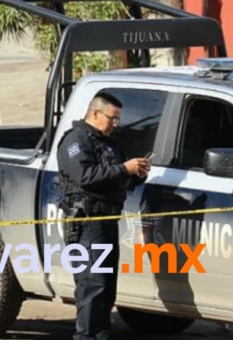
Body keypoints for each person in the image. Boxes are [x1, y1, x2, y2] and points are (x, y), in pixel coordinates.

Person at [56, 93, 151, 340]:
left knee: (107, 289)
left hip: (107, 223)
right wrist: (123, 169)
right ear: (96, 113)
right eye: (112, 118)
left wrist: (135, 173)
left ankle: (100, 335)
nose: (115, 124)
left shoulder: (108, 144)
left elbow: (115, 179)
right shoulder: (75, 141)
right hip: (87, 226)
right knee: (92, 287)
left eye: (118, 120)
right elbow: (85, 176)